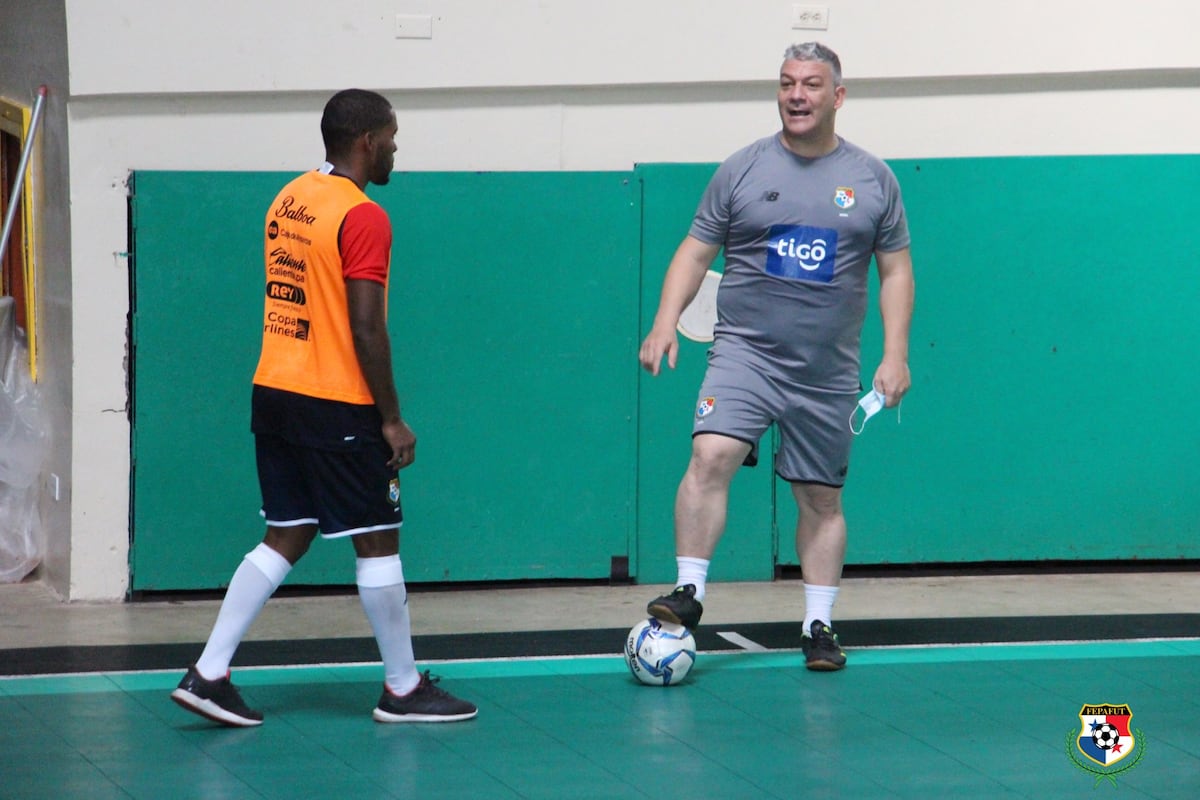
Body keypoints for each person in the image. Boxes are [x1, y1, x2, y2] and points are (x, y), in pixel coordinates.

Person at [171, 89, 477, 725]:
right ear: (367, 141)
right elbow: (366, 327)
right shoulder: (363, 216)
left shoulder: (289, 198)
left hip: (275, 392)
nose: (396, 147)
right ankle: (402, 687)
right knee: (378, 539)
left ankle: (208, 672)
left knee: (287, 533)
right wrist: (390, 417)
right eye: (392, 136)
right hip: (334, 402)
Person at [638, 42, 914, 671]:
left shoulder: (874, 179)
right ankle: (689, 590)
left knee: (820, 498)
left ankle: (819, 626)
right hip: (746, 354)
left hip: (827, 371)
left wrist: (895, 354)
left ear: (837, 97)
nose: (797, 94)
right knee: (710, 453)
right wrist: (665, 322)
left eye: (812, 85)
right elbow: (695, 250)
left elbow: (896, 270)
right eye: (787, 83)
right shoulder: (742, 169)